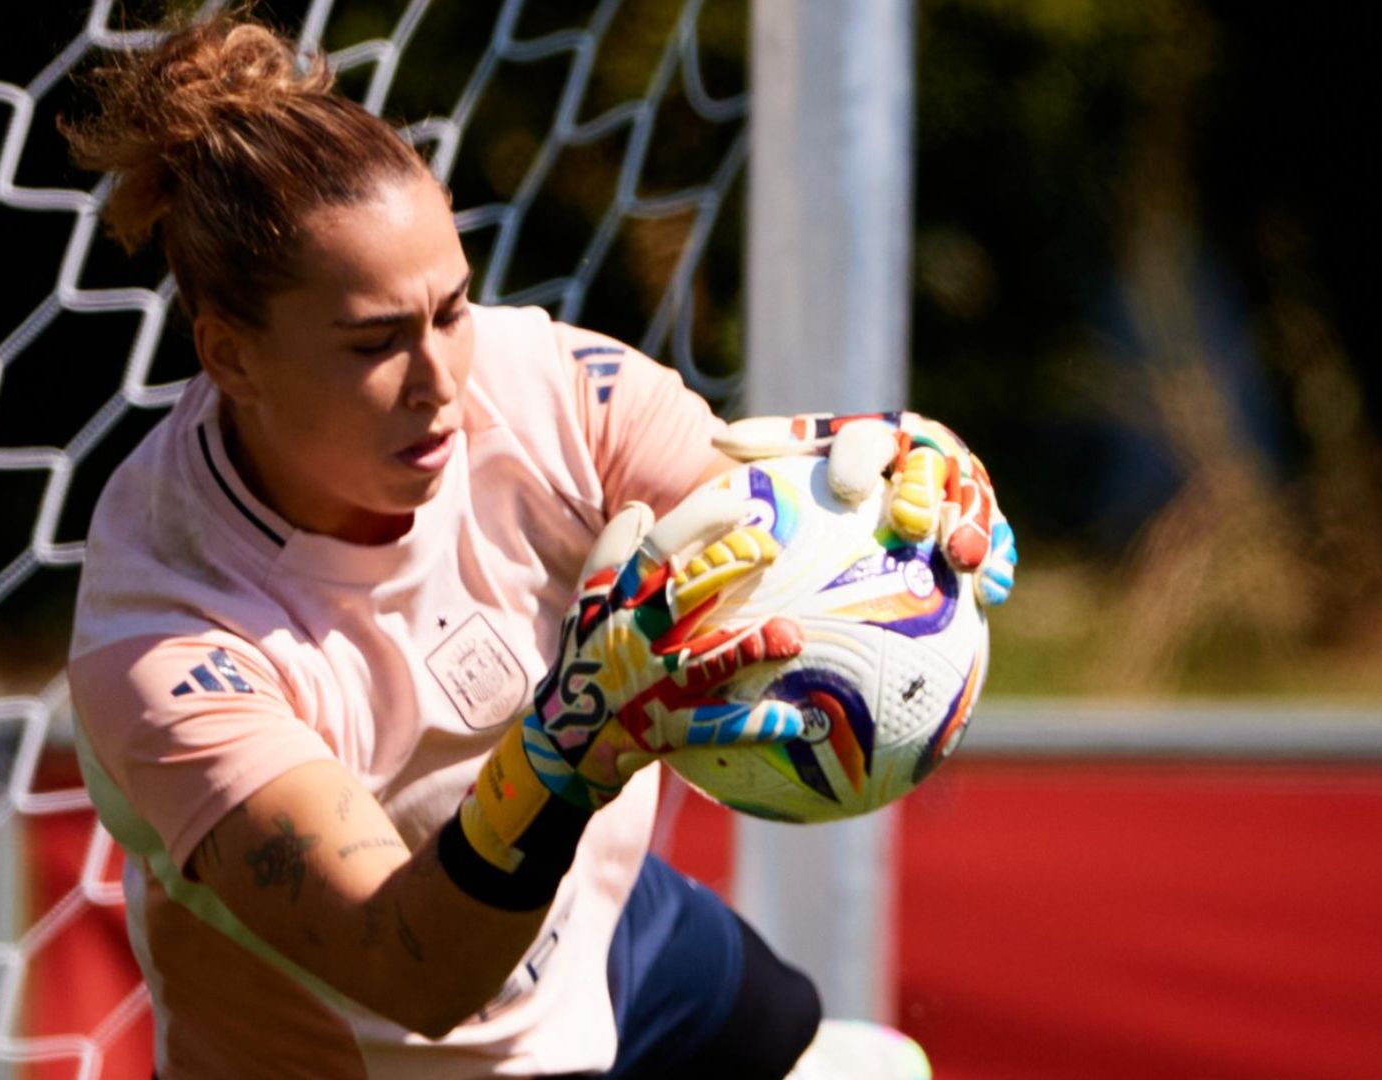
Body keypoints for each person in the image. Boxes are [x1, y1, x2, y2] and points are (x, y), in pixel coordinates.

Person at [61, 13, 1014, 1079]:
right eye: (376, 343)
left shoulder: (545, 386)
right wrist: (562, 752)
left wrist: (897, 511)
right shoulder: (167, 634)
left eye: (452, 309)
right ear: (230, 357)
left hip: (611, 934)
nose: (440, 380)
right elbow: (410, 967)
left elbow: (760, 527)